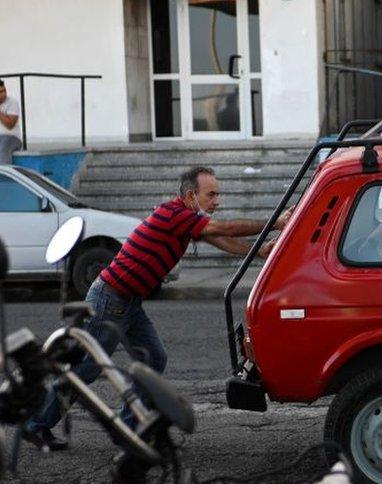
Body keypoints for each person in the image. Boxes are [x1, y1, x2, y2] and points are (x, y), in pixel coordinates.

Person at [22, 166, 293, 451]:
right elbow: (221, 229)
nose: (217, 201)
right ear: (191, 196)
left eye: (218, 195)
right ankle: (36, 424)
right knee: (86, 367)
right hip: (110, 298)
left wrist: (257, 250)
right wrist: (274, 223)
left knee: (154, 359)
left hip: (128, 301)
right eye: (211, 194)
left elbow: (219, 239)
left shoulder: (185, 218)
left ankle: (129, 427)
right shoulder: (174, 215)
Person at [0, 80, 23, 164]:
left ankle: (3, 175)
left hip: (11, 137)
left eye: (4, 90)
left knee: (3, 148)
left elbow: (10, 124)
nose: (3, 94)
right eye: (0, 92)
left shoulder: (12, 102)